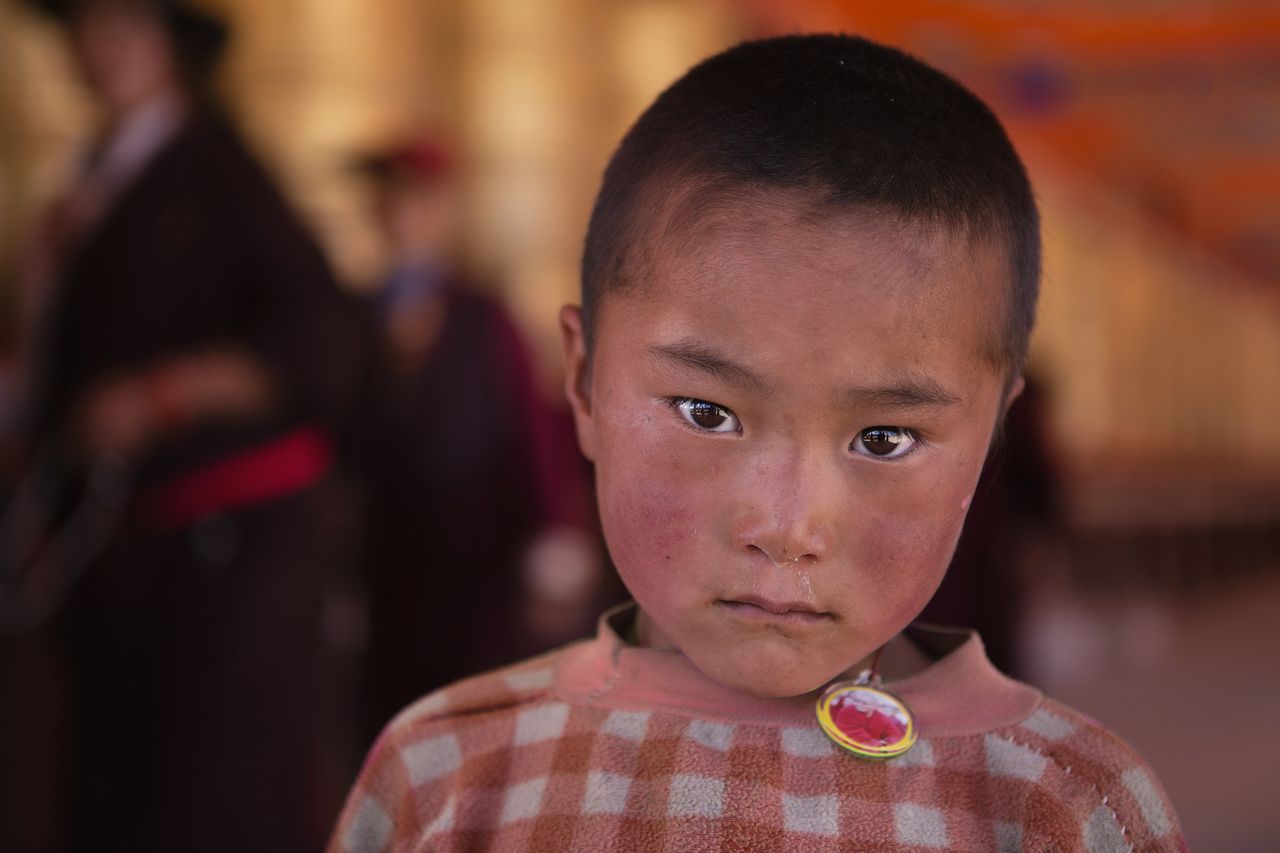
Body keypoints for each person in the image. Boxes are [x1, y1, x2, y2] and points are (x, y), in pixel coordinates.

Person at [327, 34, 1185, 851]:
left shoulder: (1067, 805)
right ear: (586, 381)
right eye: (707, 413)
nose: (786, 524)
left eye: (883, 437)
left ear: (995, 427)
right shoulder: (445, 774)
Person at [9, 1, 365, 850]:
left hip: (221, 563)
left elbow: (324, 336)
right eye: (85, 28)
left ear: (168, 44)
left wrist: (166, 393)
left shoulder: (217, 171)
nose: (100, 50)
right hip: (118, 554)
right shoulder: (95, 181)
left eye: (123, 26)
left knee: (205, 796)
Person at [350, 138, 605, 745]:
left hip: (474, 549)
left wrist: (555, 534)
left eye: (413, 198)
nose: (397, 212)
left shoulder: (482, 314)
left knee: (473, 714)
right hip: (387, 551)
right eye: (386, 198)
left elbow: (530, 428)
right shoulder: (355, 314)